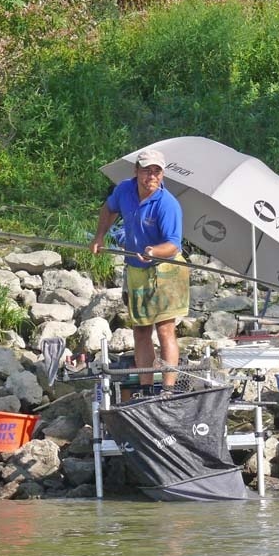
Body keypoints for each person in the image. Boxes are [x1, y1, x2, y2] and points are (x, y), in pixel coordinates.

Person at [91, 149, 189, 394]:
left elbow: (173, 244)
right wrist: (100, 235)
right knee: (141, 330)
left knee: (165, 328)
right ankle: (146, 388)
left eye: (157, 172)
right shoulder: (124, 189)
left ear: (162, 175)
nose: (151, 177)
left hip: (167, 268)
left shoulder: (168, 205)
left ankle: (168, 389)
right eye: (147, 171)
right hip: (136, 268)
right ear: (136, 172)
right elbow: (109, 209)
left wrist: (154, 251)